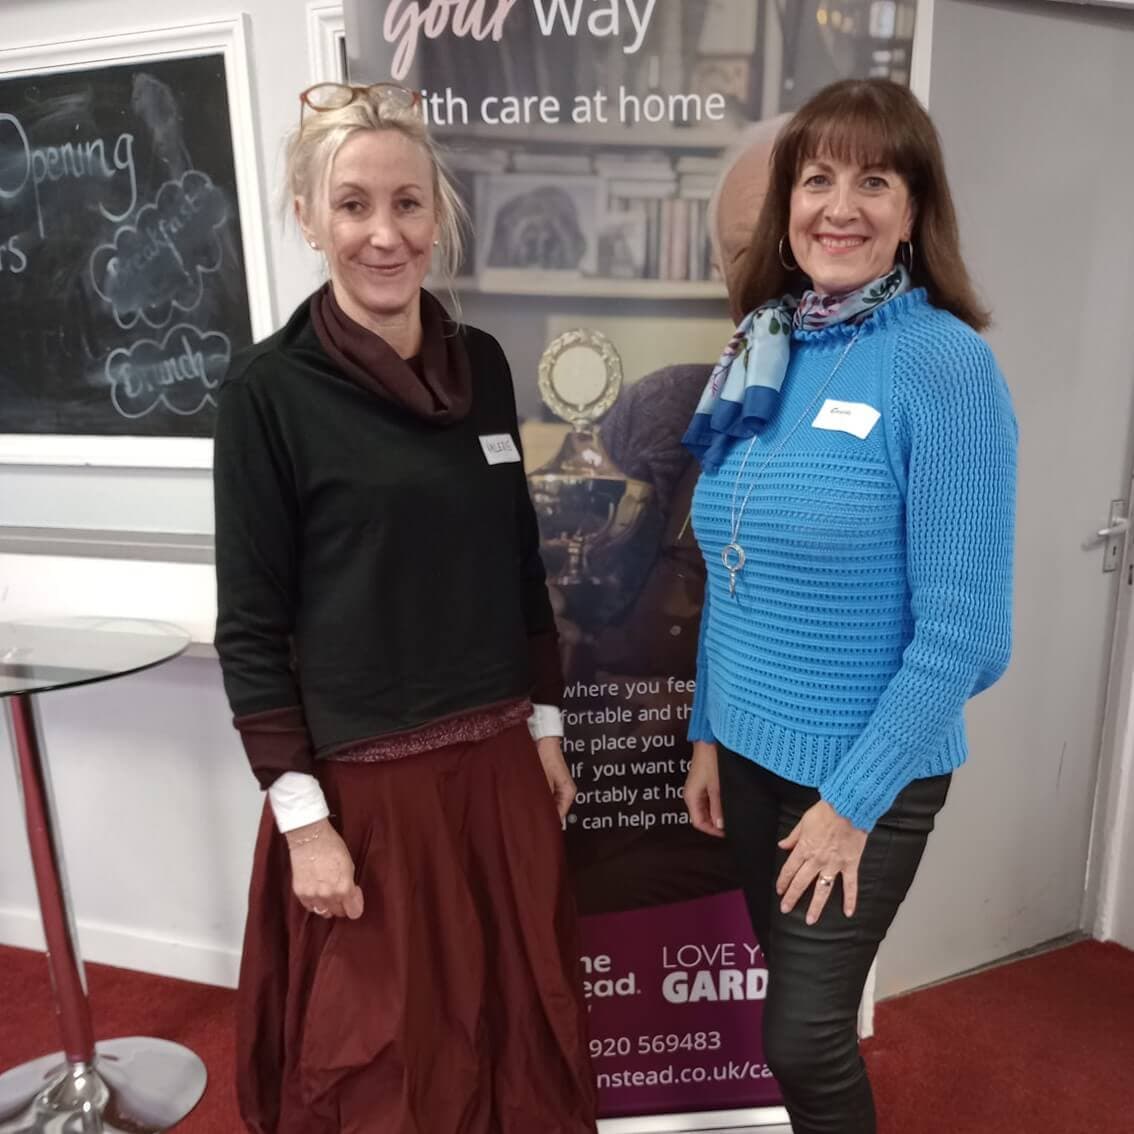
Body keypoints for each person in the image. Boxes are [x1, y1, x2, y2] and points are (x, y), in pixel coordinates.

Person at [212, 82, 597, 1134]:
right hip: (368, 797)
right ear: (309, 218)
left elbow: (518, 564)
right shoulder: (265, 393)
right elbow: (250, 627)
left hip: (498, 771)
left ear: (439, 214)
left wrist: (546, 726)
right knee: (388, 1069)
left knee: (519, 1048)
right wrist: (304, 826)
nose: (384, 235)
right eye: (353, 205)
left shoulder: (485, 365)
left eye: (408, 204)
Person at [681, 78, 1016, 1134]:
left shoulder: (947, 367)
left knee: (804, 1036)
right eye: (818, 178)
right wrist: (706, 731)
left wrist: (852, 803)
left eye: (874, 182)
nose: (840, 207)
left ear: (914, 211)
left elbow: (969, 636)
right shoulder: (764, 342)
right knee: (793, 999)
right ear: (787, 202)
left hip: (864, 770)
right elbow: (736, 569)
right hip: (748, 752)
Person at [558, 117, 790, 915]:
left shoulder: (891, 402)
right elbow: (588, 603)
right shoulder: (669, 406)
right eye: (742, 251)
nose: (766, 274)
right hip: (654, 773)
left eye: (782, 242)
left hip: (798, 789)